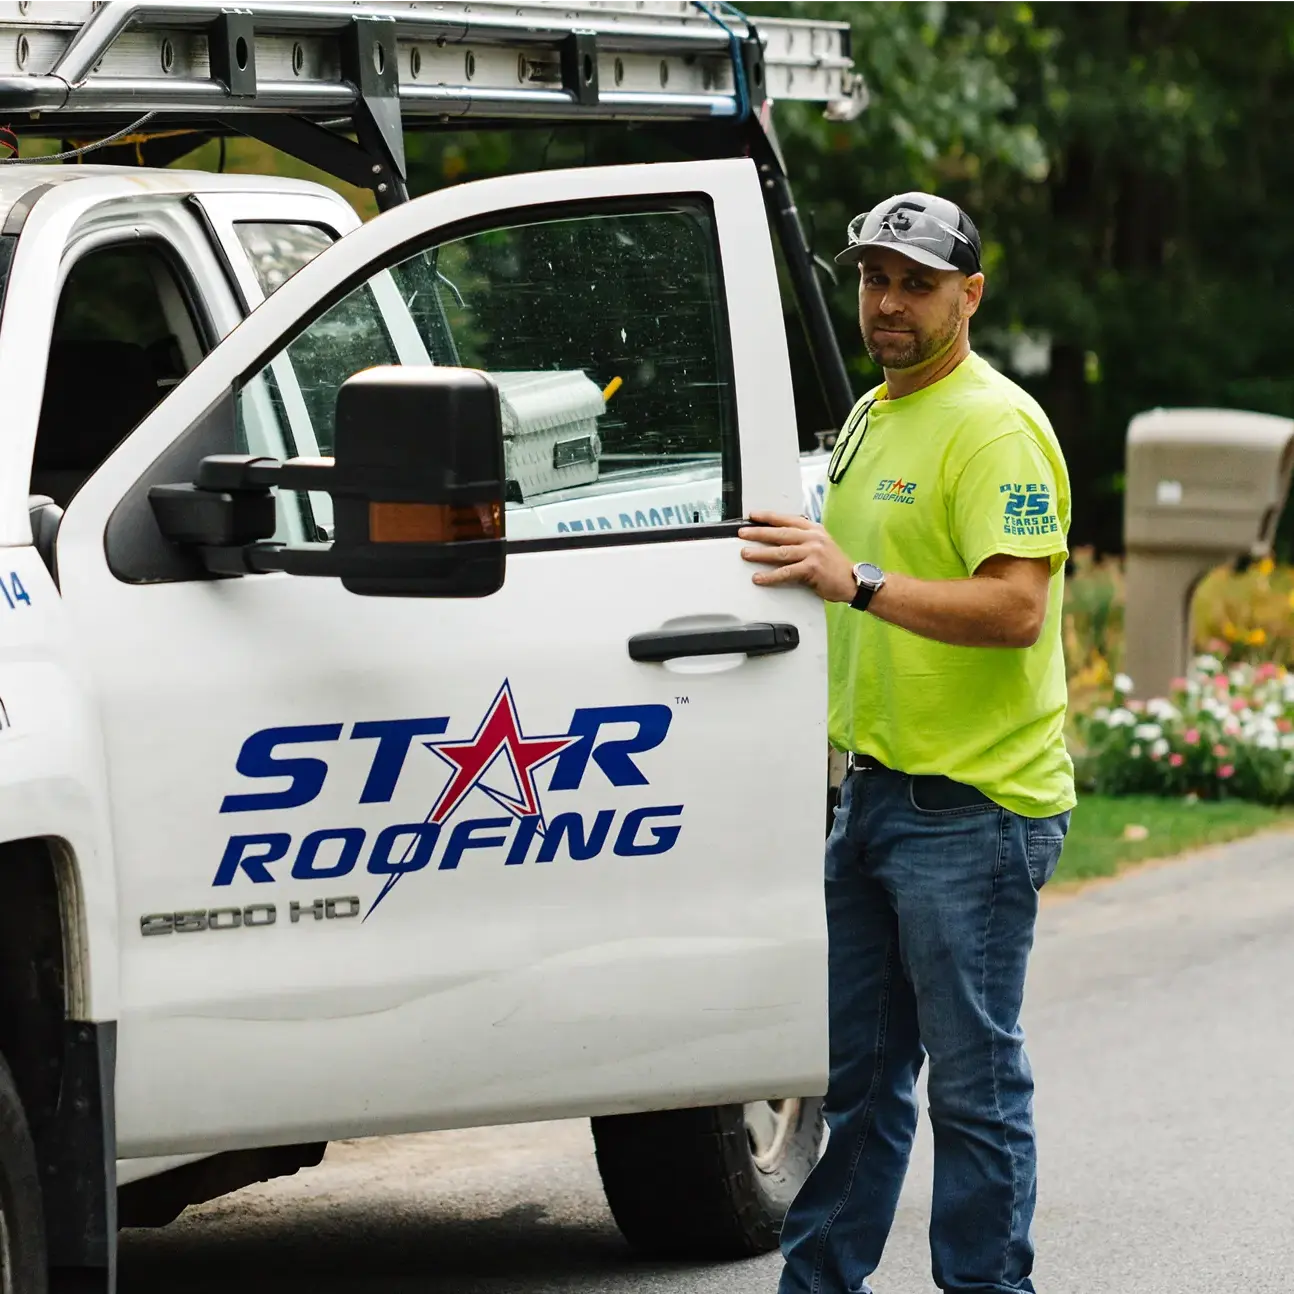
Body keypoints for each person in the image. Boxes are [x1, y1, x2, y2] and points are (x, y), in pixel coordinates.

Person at [740, 193, 1075, 1294]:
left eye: (915, 284)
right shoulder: (872, 413)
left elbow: (1015, 607)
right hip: (873, 798)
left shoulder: (994, 426)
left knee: (972, 1092)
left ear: (968, 295)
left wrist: (861, 582)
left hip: (974, 810)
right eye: (873, 279)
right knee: (861, 1087)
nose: (887, 303)